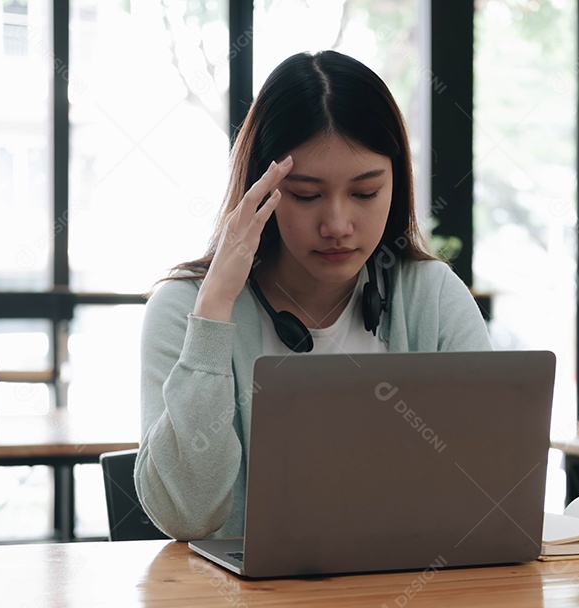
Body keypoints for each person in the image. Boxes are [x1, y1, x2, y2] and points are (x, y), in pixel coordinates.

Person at [136, 51, 491, 541]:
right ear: (261, 188)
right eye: (305, 195)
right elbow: (188, 516)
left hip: (408, 600)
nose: (338, 226)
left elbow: (491, 490)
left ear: (397, 185)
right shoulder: (185, 310)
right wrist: (215, 307)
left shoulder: (430, 297)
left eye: (365, 194)